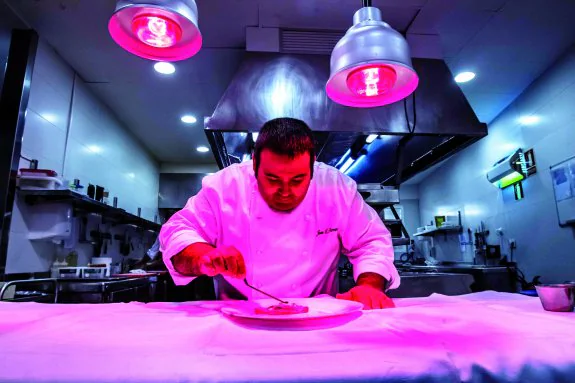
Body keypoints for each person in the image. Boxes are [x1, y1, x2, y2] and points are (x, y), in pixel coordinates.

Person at [159, 118, 400, 309]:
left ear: (312, 166)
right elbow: (178, 230)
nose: (285, 191)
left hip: (318, 318)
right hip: (240, 318)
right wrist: (203, 255)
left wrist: (370, 285)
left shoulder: (336, 188)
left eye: (297, 179)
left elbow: (371, 241)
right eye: (272, 179)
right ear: (255, 164)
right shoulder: (225, 186)